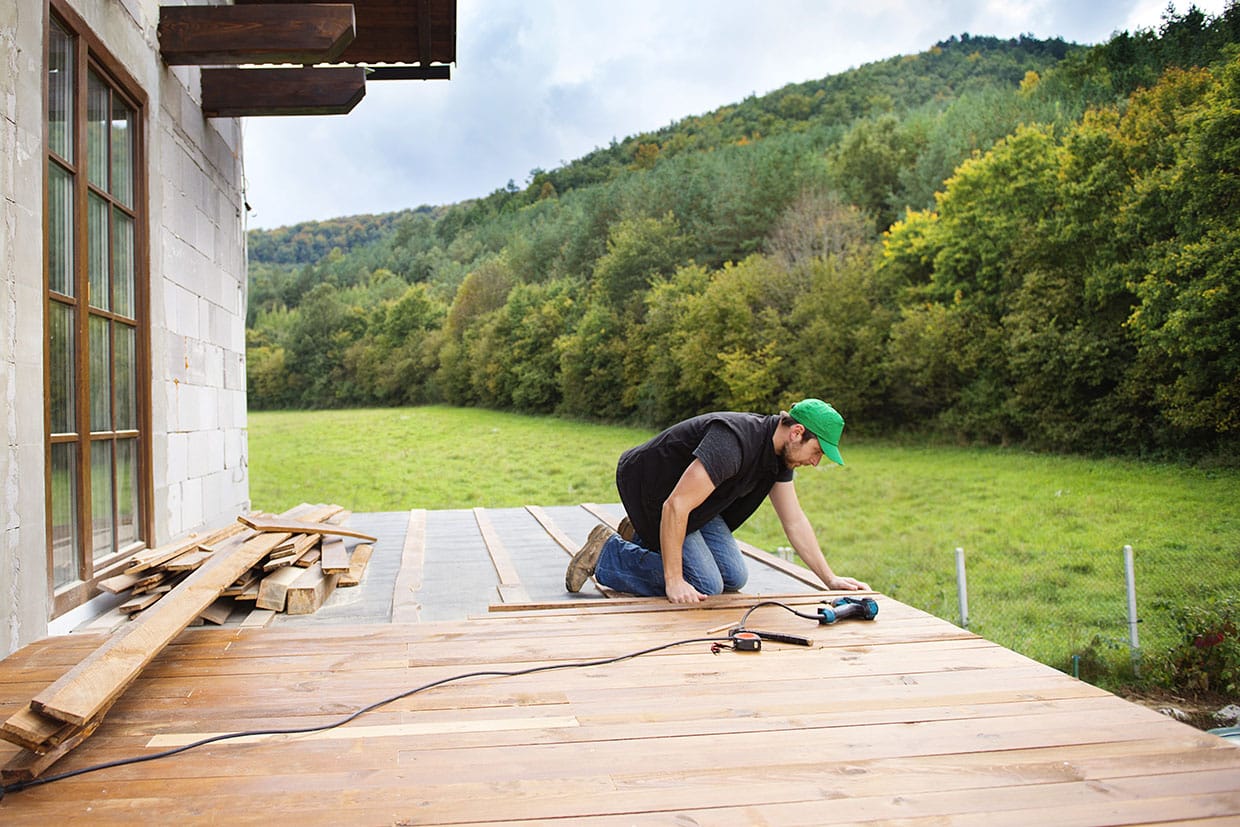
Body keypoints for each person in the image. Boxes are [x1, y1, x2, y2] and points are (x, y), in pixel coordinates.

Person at [565, 399, 870, 603]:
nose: (816, 462)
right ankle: (607, 553)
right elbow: (675, 505)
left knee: (734, 577)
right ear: (797, 433)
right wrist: (673, 580)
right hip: (653, 489)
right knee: (705, 583)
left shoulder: (779, 458)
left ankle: (644, 537)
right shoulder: (734, 442)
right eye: (817, 452)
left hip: (696, 503)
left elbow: (794, 521)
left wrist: (830, 579)